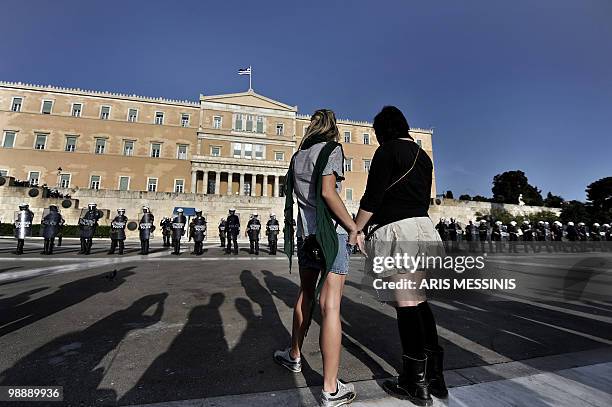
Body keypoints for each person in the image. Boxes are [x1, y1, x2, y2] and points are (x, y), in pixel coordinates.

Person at [351, 106, 446, 405]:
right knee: (418, 300)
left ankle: (414, 383)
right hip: (423, 228)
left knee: (406, 302)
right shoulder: (424, 157)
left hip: (398, 231)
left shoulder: (387, 151)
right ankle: (435, 377)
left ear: (383, 131)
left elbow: (373, 197)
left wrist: (356, 228)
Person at [274, 109, 358, 406]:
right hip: (330, 234)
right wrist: (353, 227)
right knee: (331, 305)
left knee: (306, 294)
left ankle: (295, 355)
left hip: (306, 235)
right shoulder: (333, 149)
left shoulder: (297, 157)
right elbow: (328, 192)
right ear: (333, 129)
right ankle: (330, 388)